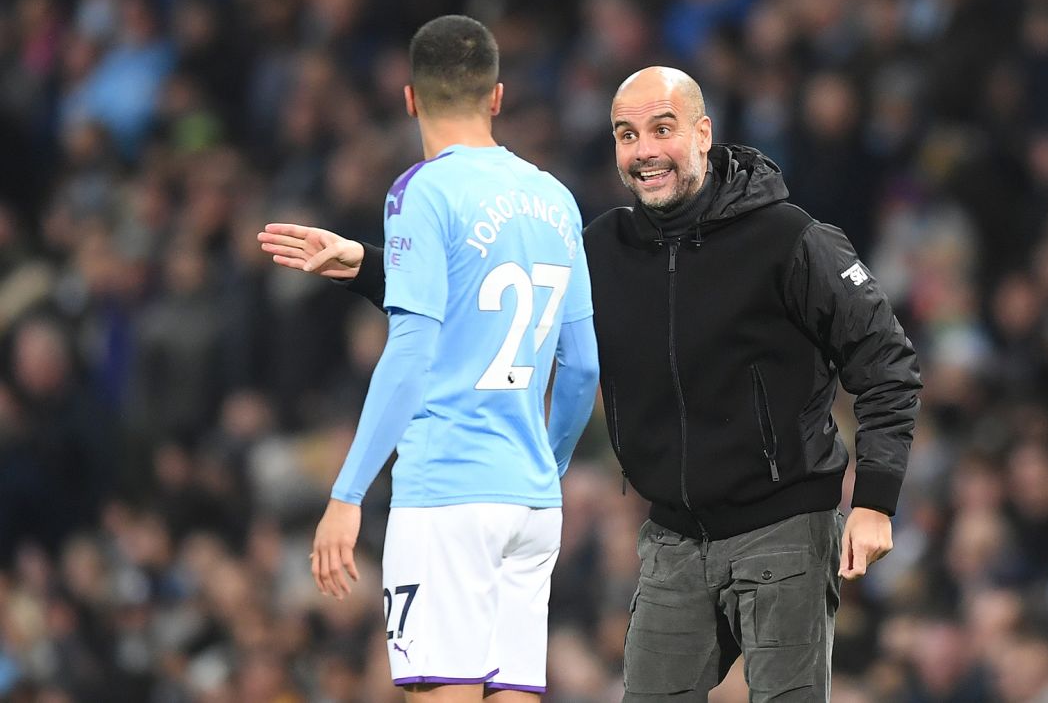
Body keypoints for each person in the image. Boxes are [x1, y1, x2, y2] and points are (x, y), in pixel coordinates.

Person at [264, 66, 922, 702]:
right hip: (671, 538)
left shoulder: (790, 239)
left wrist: (875, 499)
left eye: (662, 129)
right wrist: (369, 269)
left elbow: (886, 359)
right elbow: (493, 304)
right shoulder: (602, 248)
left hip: (784, 527)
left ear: (703, 133)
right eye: (626, 135)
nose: (644, 151)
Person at [260, 15, 599, 702]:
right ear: (497, 97)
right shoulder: (556, 199)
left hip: (447, 494)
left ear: (410, 98)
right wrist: (546, 463)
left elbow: (412, 353)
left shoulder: (422, 190)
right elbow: (583, 364)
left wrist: (347, 494)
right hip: (529, 503)